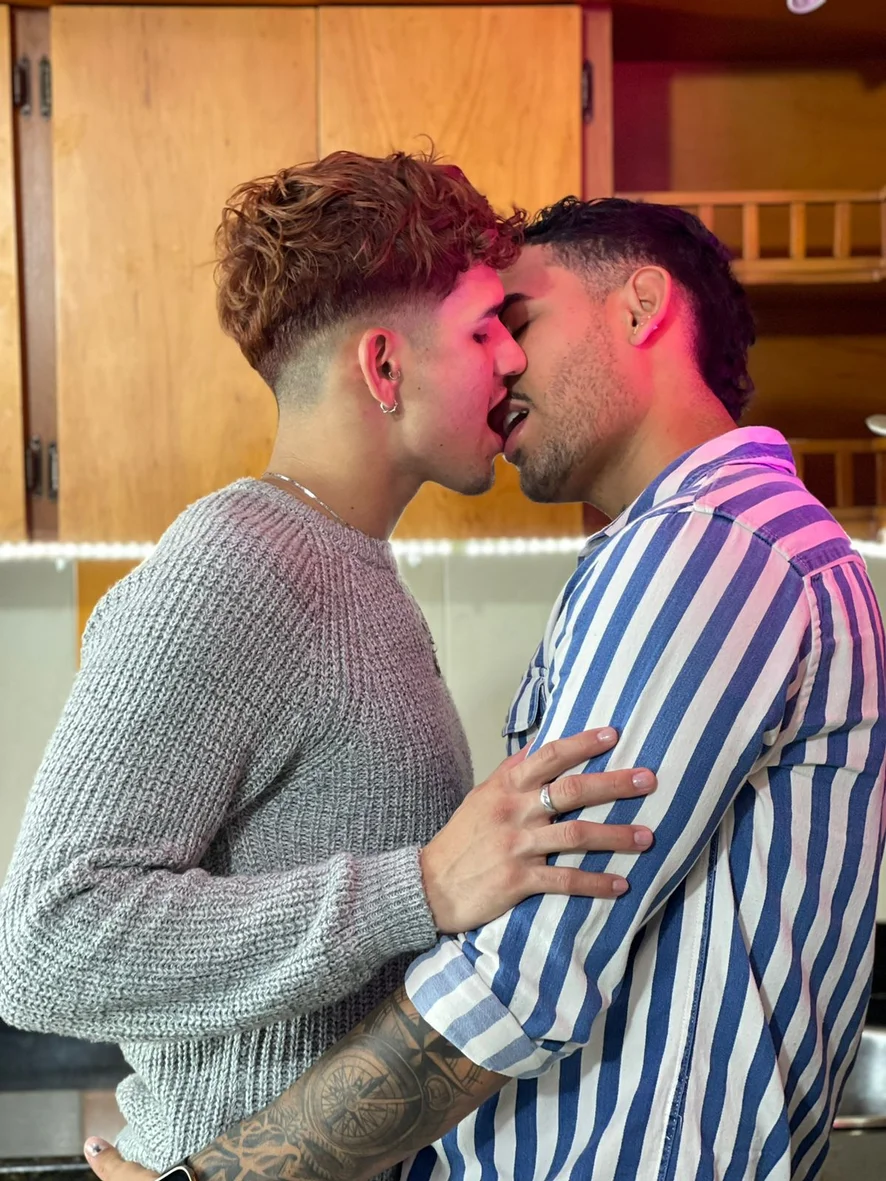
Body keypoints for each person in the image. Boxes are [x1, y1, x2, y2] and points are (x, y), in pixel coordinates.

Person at [81, 195, 886, 1181]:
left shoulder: (707, 547)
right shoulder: (708, 544)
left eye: (519, 319)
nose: (501, 364)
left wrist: (214, 1180)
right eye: (482, 331)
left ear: (640, 306)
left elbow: (520, 971)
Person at [0, 156, 661, 1173]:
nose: (510, 358)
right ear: (384, 368)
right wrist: (418, 885)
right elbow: (48, 942)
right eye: (482, 329)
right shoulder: (234, 568)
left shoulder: (352, 569)